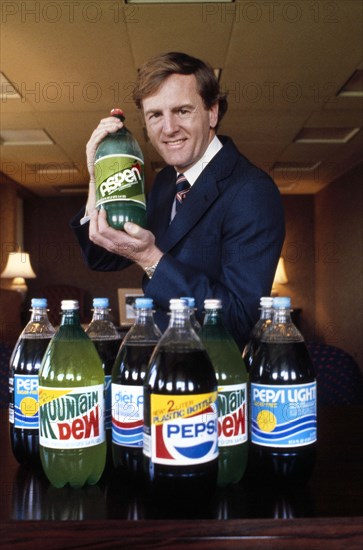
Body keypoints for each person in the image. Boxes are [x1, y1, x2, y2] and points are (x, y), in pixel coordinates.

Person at [71, 51, 285, 350]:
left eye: (182, 111)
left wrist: (149, 258)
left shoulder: (251, 190)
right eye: (155, 115)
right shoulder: (165, 182)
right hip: (159, 362)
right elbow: (103, 255)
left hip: (212, 378)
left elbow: (238, 319)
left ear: (213, 112)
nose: (168, 128)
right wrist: (96, 176)